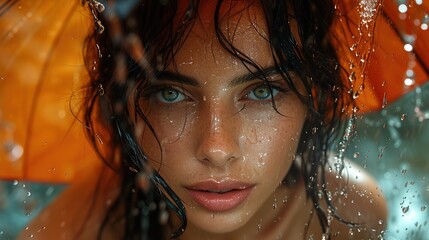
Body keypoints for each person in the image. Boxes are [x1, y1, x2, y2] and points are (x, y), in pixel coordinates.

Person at [20, 0, 387, 239]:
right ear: (123, 104)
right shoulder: (74, 231)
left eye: (262, 91)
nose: (217, 149)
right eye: (171, 94)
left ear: (314, 94)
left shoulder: (351, 217)